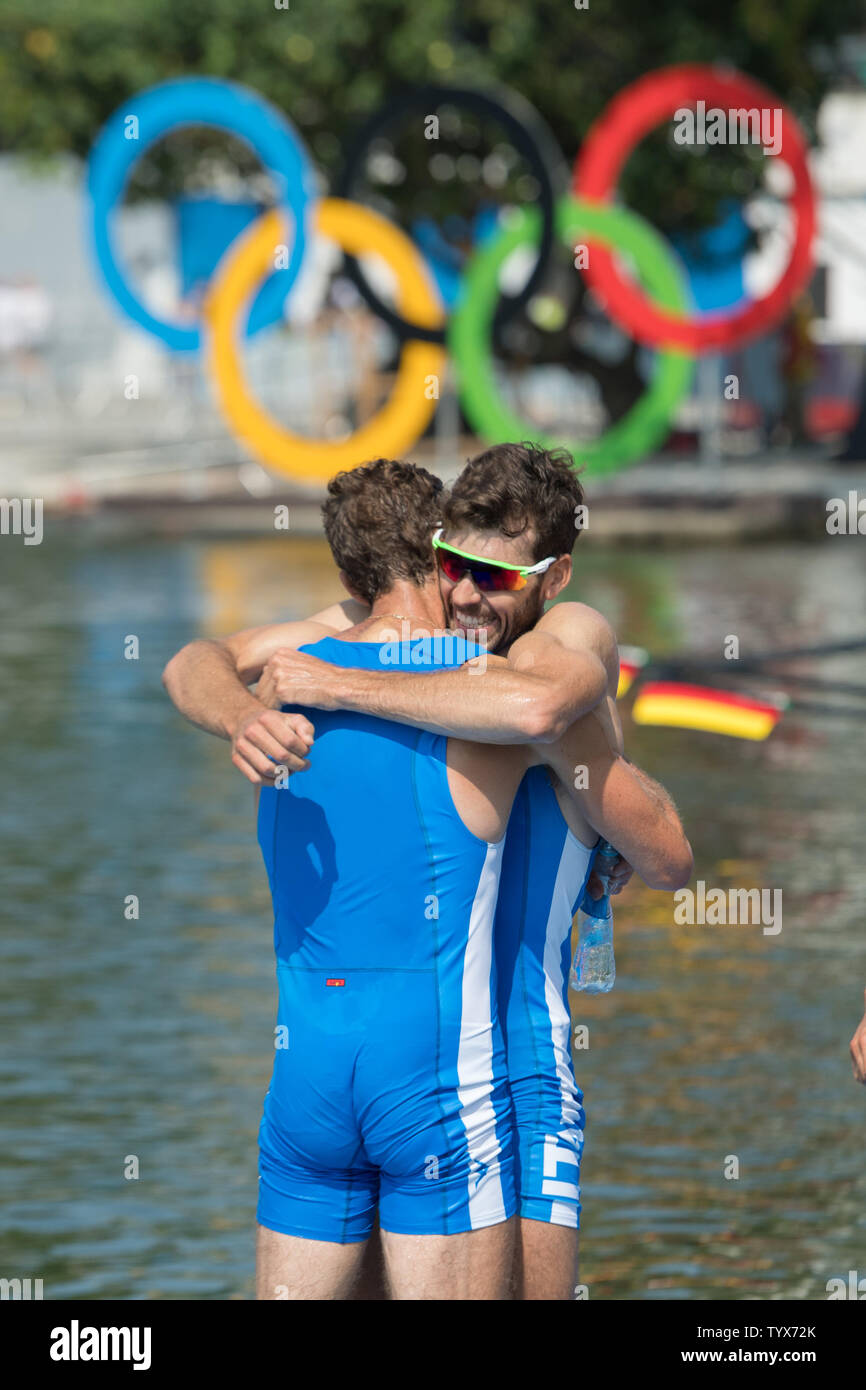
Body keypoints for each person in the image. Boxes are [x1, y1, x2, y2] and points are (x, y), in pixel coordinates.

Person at [163, 446, 693, 1299]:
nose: (470, 596)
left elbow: (550, 726)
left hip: (520, 1063)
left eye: (498, 578)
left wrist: (338, 685)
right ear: (434, 552)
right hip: (440, 1071)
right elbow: (196, 659)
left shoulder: (571, 636)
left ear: (553, 579)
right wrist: (241, 720)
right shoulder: (409, 635)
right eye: (456, 566)